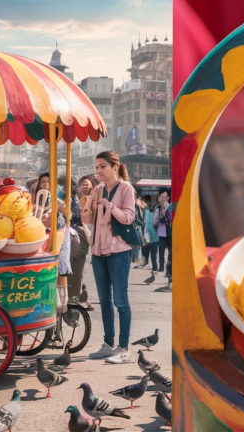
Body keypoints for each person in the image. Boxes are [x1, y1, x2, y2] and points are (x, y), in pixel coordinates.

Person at [82, 151, 136, 364]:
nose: (98, 171)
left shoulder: (126, 189)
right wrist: (89, 205)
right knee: (104, 301)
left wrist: (111, 206)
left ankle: (123, 348)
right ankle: (107, 344)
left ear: (115, 167)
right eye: (96, 167)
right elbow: (87, 220)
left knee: (120, 301)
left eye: (103, 166)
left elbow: (129, 217)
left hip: (119, 252)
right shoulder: (97, 189)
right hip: (97, 251)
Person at [154, 188, 172, 281]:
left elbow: (170, 218)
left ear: (168, 198)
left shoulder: (169, 207)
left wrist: (166, 208)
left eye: (165, 197)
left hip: (170, 233)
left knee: (171, 253)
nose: (163, 199)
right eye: (161, 197)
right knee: (161, 251)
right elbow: (155, 221)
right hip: (161, 233)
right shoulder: (157, 208)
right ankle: (161, 268)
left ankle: (168, 270)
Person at [140, 195, 159, 271]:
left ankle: (154, 266)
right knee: (147, 251)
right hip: (148, 235)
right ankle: (148, 263)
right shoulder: (146, 211)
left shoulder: (156, 211)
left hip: (153, 236)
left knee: (153, 254)